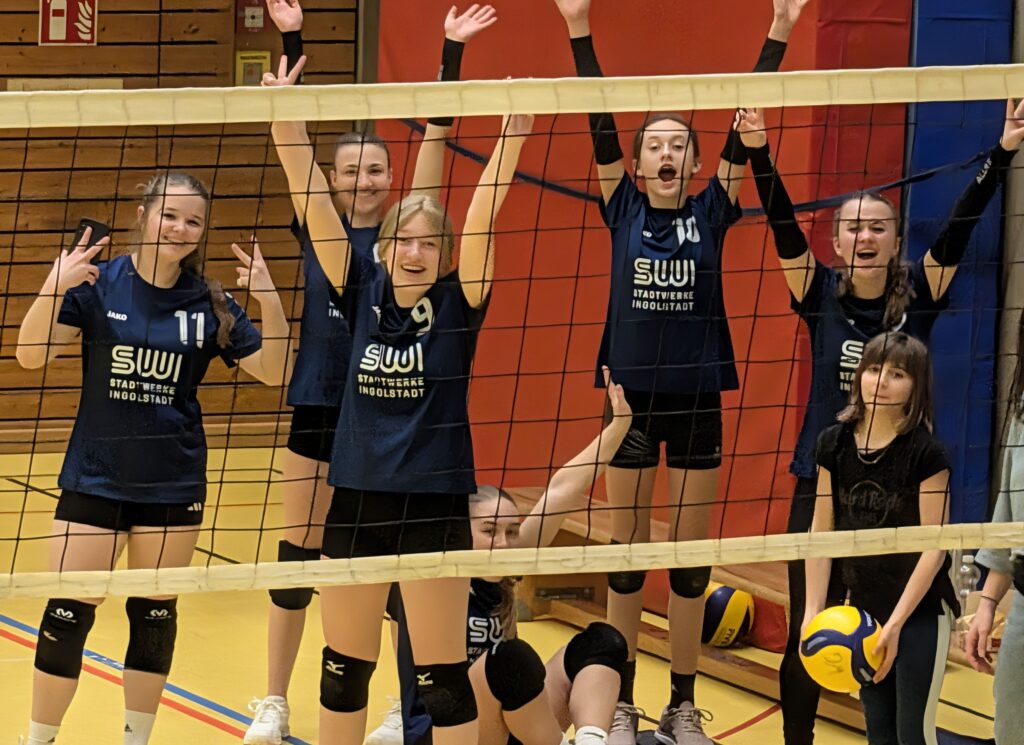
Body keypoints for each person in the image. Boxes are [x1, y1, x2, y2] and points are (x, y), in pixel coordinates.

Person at [551, 0, 808, 741]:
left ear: (694, 164)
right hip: (628, 402)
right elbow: (599, 119)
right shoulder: (622, 206)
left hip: (696, 398)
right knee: (628, 557)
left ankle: (682, 703)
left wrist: (780, 29)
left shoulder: (714, 208)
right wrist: (577, 27)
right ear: (637, 164)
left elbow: (742, 122)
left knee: (690, 562)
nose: (666, 154)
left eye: (679, 146)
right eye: (654, 145)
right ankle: (621, 702)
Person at [245, 3, 497, 743]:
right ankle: (275, 697)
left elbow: (437, 157)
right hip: (327, 409)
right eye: (351, 169)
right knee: (302, 563)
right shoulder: (348, 261)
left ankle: (402, 705)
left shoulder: (417, 255)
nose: (364, 179)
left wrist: (451, 57)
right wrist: (286, 89)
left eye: (376, 168)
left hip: (408, 443)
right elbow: (301, 172)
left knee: (417, 615)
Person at [741, 98, 1024, 744]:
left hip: (901, 490)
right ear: (836, 242)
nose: (865, 237)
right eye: (852, 228)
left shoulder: (920, 291)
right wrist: (758, 152)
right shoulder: (817, 291)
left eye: (877, 227)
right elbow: (782, 225)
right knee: (809, 628)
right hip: (826, 483)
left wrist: (1004, 152)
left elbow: (961, 225)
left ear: (895, 240)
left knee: (892, 631)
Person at [15, 172, 290, 745]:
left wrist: (269, 298)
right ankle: (37, 740)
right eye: (170, 215)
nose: (181, 229)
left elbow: (275, 372)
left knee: (154, 617)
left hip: (172, 483)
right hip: (95, 476)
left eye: (193, 221)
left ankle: (135, 740)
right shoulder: (100, 282)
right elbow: (29, 355)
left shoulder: (210, 300)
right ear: (143, 215)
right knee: (67, 613)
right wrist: (55, 284)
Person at [377, 369, 633, 745]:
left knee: (604, 641)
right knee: (509, 658)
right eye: (489, 530)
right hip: (446, 730)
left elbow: (561, 490)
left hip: (506, 720)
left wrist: (619, 427)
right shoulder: (429, 579)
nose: (504, 543)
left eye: (511, 531)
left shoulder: (507, 562)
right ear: (460, 535)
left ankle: (592, 739)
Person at [804, 332, 957, 745]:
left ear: (915, 387)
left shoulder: (927, 454)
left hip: (920, 612)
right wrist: (813, 612)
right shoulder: (833, 443)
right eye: (874, 369)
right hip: (864, 613)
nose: (881, 381)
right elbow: (821, 533)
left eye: (897, 374)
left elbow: (935, 548)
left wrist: (895, 625)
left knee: (912, 735)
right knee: (878, 732)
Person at [966, 311, 1024, 745]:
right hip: (1023, 605)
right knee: (1011, 729)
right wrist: (986, 605)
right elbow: (1007, 515)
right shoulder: (1022, 414)